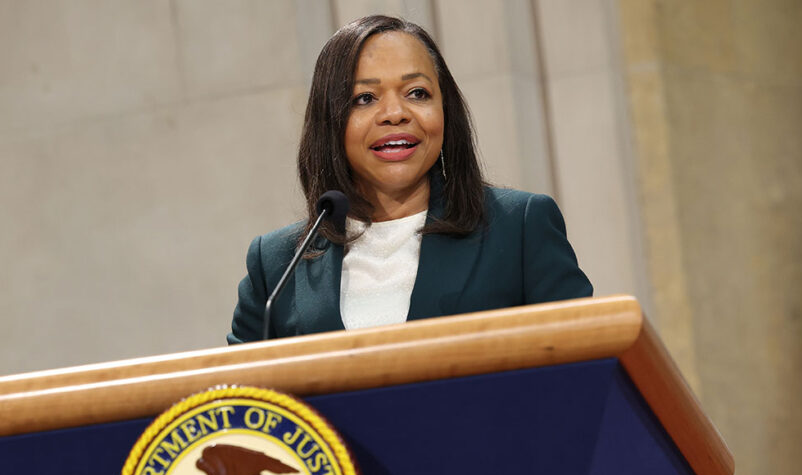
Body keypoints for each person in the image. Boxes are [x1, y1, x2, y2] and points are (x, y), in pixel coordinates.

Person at [227, 15, 591, 344]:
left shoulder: (518, 228)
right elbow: (236, 403)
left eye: (417, 93)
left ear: (444, 110)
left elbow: (585, 364)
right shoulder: (276, 264)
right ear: (331, 122)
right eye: (364, 98)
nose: (395, 114)